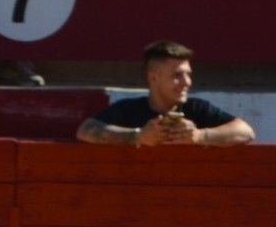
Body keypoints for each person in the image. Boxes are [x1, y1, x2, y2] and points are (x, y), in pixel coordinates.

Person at [76, 40, 255, 147]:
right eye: (177, 75)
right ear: (154, 78)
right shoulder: (129, 110)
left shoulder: (197, 109)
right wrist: (138, 136)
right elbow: (86, 130)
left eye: (188, 74)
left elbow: (246, 132)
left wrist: (201, 136)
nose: (187, 82)